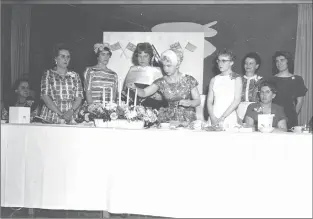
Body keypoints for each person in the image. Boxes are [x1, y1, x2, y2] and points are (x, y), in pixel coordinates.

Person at [127, 48, 200, 122]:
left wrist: (190, 103)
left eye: (169, 66)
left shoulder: (189, 80)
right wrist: (135, 88)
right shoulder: (161, 82)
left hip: (187, 119)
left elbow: (197, 101)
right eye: (164, 66)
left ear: (177, 65)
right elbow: (144, 92)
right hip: (168, 119)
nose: (165, 69)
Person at [39, 45, 83, 124]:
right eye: (63, 56)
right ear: (56, 59)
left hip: (71, 115)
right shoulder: (48, 74)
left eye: (68, 57)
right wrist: (61, 114)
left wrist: (70, 111)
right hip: (51, 115)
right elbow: (45, 96)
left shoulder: (75, 75)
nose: (66, 59)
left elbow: (79, 97)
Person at [268, 51, 307, 129]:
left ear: (288, 61)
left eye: (282, 60)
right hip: (274, 116)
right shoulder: (271, 79)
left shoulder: (297, 79)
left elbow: (300, 101)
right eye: (277, 61)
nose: (279, 63)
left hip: (291, 117)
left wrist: (293, 115)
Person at [123, 42, 167, 109]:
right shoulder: (132, 70)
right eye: (139, 56)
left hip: (151, 108)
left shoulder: (157, 71)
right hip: (133, 108)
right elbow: (125, 92)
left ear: (151, 57)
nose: (142, 59)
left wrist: (159, 97)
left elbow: (164, 96)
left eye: (145, 56)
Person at [207, 49, 243, 128]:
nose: (220, 63)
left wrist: (223, 117)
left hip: (229, 117)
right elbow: (209, 101)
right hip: (214, 117)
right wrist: (212, 117)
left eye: (224, 61)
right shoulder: (214, 79)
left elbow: (237, 100)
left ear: (231, 62)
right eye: (219, 60)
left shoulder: (236, 79)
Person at [237, 52, 263, 121]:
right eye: (246, 63)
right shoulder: (238, 79)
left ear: (257, 66)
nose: (247, 65)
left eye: (251, 63)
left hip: (255, 109)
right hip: (239, 109)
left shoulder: (261, 81)